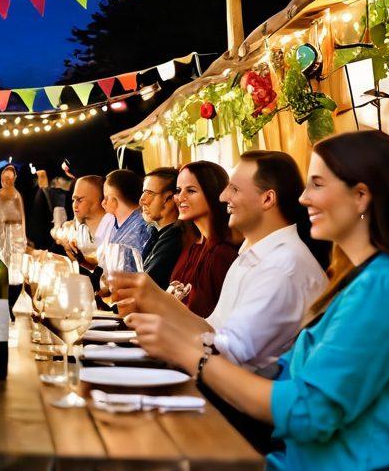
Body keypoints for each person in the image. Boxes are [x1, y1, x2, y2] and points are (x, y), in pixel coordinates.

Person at [129, 130, 389, 471]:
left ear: (361, 195)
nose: (303, 197)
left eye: (317, 184)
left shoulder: (384, 288)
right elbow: (286, 373)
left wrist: (191, 353)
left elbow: (307, 412)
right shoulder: (360, 279)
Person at [113, 152, 327, 372]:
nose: (223, 196)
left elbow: (228, 354)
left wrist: (156, 307)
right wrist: (153, 299)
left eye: (234, 189)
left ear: (267, 199)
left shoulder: (281, 266)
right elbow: (211, 329)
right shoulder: (253, 254)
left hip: (246, 398)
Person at [168, 161, 239, 317]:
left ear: (213, 193)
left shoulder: (223, 254)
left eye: (191, 191)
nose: (181, 197)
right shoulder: (192, 247)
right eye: (179, 190)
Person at [104, 168, 152, 255]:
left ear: (115, 200)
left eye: (106, 198)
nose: (103, 203)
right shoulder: (118, 227)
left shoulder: (135, 233)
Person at [0, 165, 26, 238]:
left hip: (16, 234)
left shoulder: (17, 195)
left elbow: (22, 217)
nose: (8, 180)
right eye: (6, 178)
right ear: (2, 179)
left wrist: (23, 236)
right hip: (1, 233)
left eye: (10, 178)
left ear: (14, 179)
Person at [72, 175, 113, 245]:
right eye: (73, 200)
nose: (74, 205)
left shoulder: (114, 232)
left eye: (80, 200)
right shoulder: (79, 225)